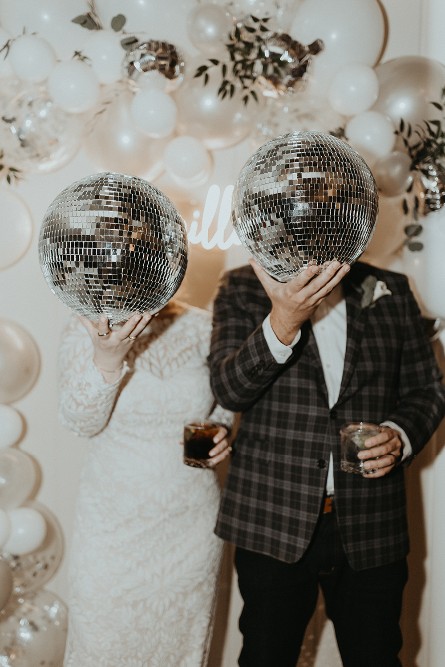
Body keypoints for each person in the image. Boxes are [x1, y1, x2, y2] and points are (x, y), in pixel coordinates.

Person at [208, 256, 445, 667]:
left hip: (372, 523)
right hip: (272, 520)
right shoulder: (242, 285)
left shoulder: (392, 286)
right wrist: (283, 321)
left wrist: (400, 435)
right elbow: (229, 390)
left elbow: (428, 389)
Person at [58, 300, 233, 667]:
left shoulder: (206, 325)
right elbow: (80, 422)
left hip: (190, 531)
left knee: (181, 651)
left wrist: (222, 431)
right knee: (101, 649)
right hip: (112, 530)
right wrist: (107, 359)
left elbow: (225, 405)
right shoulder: (89, 324)